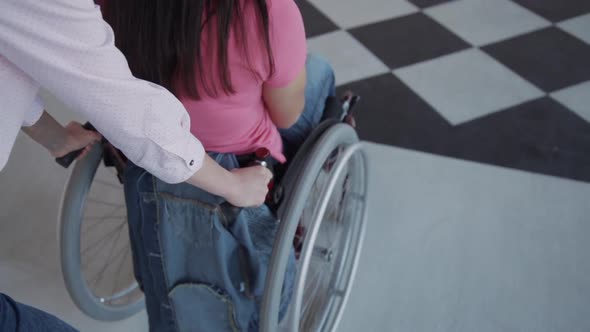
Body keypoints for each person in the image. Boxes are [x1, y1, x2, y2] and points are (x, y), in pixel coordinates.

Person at [0, 0, 272, 330]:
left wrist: (54, 137)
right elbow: (130, 113)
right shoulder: (266, 12)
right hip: (232, 146)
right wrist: (233, 186)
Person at [101, 0, 336, 330]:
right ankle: (299, 183)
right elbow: (286, 116)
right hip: (240, 163)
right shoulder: (267, 11)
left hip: (143, 149)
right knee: (320, 72)